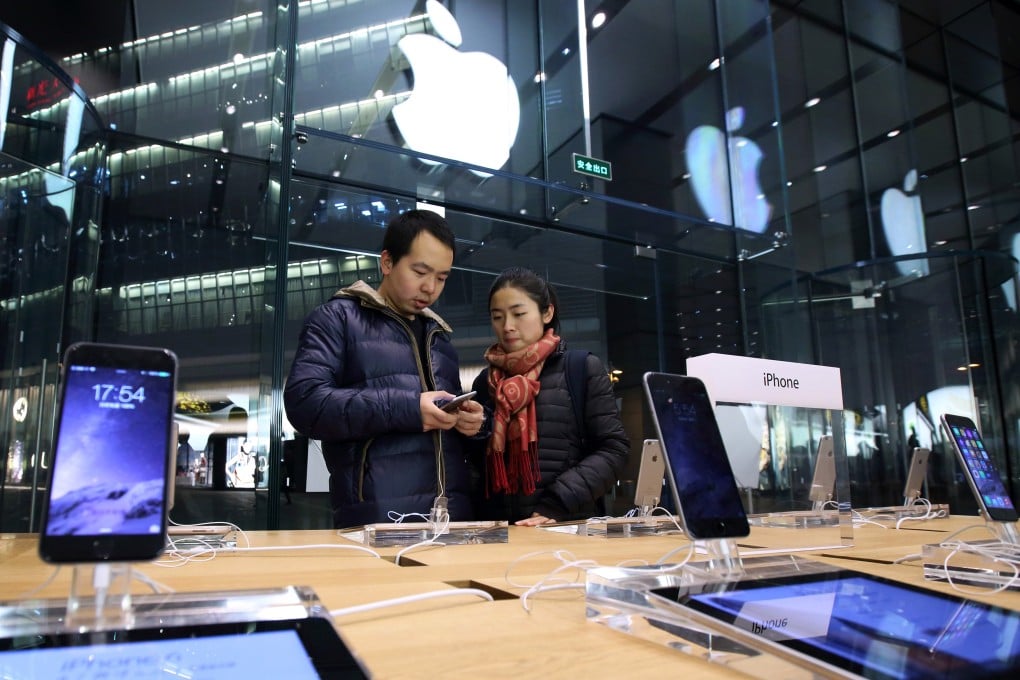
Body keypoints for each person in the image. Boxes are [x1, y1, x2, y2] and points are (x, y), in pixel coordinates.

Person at [284, 209, 484, 528]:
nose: (430, 288)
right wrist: (407, 408)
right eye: (420, 272)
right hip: (377, 520)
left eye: (442, 277)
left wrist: (469, 424)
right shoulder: (337, 319)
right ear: (387, 262)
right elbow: (305, 404)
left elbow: (445, 433)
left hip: (451, 518)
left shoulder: (440, 339)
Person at [469, 267, 629, 526]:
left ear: (547, 312)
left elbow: (614, 449)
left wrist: (556, 504)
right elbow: (481, 466)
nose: (507, 326)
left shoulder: (580, 369)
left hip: (566, 525)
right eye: (497, 317)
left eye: (519, 314)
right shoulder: (485, 381)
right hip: (501, 533)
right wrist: (475, 431)